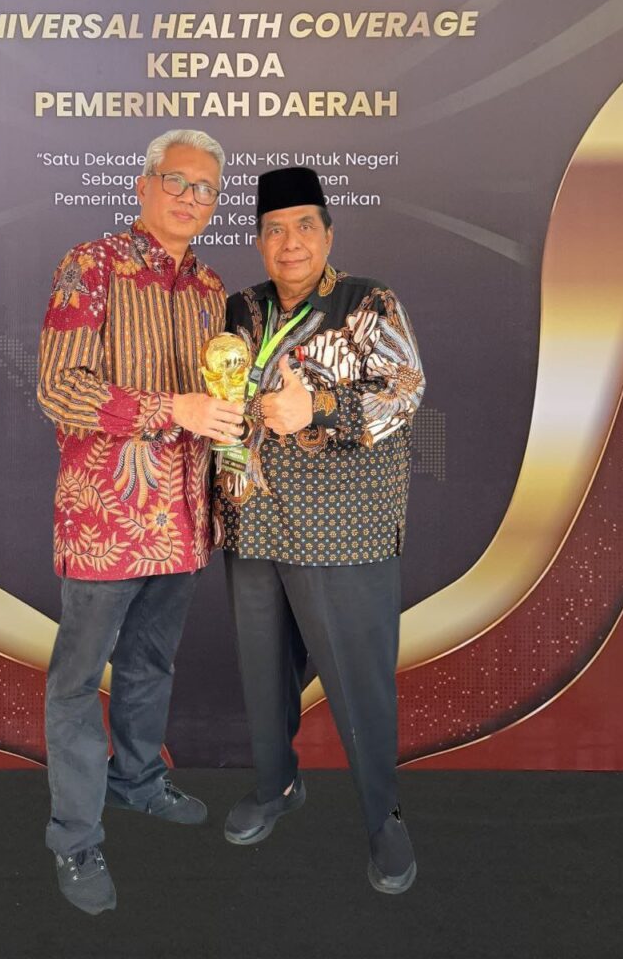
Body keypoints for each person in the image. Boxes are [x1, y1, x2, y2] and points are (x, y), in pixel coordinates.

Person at [37, 129, 243, 915]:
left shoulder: (210, 288)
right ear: (144, 185)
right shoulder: (90, 266)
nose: (191, 198)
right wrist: (172, 409)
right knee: (76, 683)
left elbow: (217, 401)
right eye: (177, 181)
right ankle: (75, 836)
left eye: (205, 189)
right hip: (106, 522)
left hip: (183, 521)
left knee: (151, 667)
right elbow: (61, 388)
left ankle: (138, 781)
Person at [214, 166, 425, 894]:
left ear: (328, 235)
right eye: (274, 230)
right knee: (263, 672)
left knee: (358, 682)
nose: (290, 242)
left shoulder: (367, 301)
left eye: (304, 226)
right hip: (254, 521)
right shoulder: (240, 309)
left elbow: (405, 391)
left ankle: (382, 818)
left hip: (345, 530)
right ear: (258, 242)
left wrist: (321, 408)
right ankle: (275, 784)